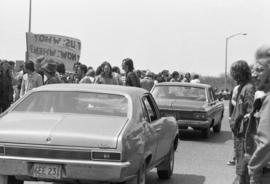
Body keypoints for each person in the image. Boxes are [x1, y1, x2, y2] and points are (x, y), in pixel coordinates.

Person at [247, 45, 270, 184]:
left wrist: (253, 168)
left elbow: (267, 143)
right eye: (253, 69)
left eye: (260, 70)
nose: (254, 74)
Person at [230, 60, 255, 184]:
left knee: (243, 170)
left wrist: (241, 121)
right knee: (240, 168)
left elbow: (251, 112)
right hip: (239, 135)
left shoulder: (249, 88)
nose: (233, 75)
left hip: (244, 136)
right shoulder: (241, 87)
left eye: (234, 72)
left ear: (240, 72)